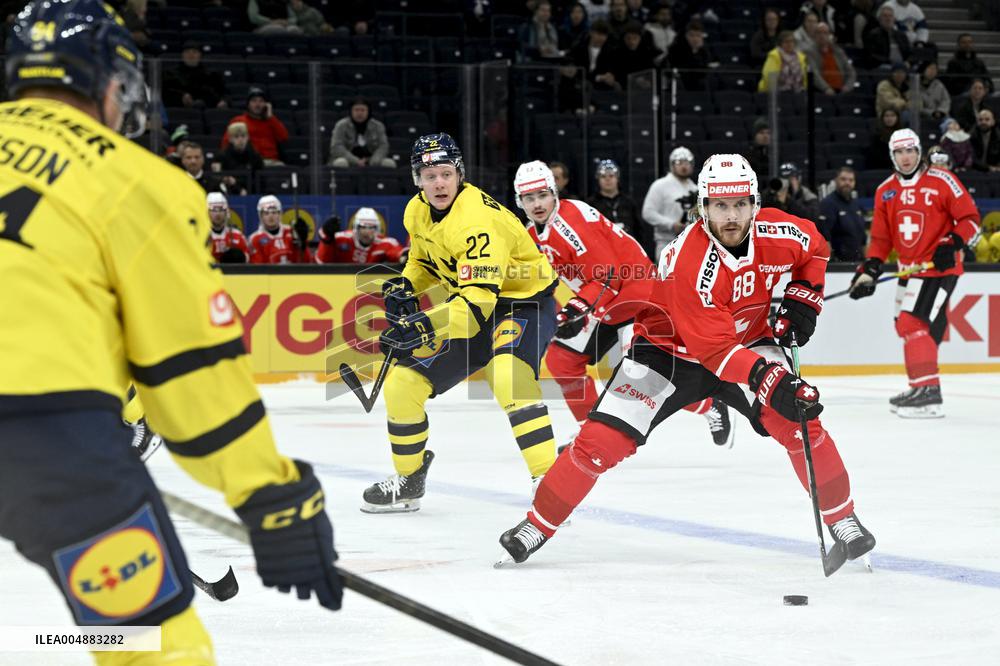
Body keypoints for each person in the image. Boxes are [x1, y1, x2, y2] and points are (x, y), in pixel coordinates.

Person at [0, 2, 341, 663]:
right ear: (111, 85)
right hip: (42, 441)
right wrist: (272, 496)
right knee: (152, 643)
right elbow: (191, 376)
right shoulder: (139, 183)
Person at [498, 154, 877, 570]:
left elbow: (816, 250)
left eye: (739, 205)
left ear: (754, 202)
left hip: (748, 342)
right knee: (599, 444)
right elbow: (714, 352)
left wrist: (805, 296)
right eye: (719, 206)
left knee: (802, 425)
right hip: (667, 354)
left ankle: (842, 518)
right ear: (703, 208)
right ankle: (538, 523)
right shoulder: (686, 261)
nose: (731, 217)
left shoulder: (780, 228)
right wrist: (773, 380)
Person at [359, 133, 560, 513]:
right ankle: (409, 480)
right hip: (471, 302)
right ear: (417, 178)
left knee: (507, 375)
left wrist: (418, 326)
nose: (438, 183)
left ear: (459, 175)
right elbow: (422, 261)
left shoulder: (477, 221)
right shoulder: (415, 211)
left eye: (446, 174)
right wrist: (405, 285)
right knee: (402, 384)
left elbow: (474, 310)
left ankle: (551, 486)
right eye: (429, 174)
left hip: (522, 305)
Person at [514, 161, 734, 449]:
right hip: (604, 301)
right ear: (520, 202)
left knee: (640, 380)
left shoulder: (571, 223)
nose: (537, 203)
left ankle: (708, 406)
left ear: (555, 193)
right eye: (529, 198)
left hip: (637, 296)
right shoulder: (534, 234)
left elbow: (609, 276)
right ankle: (588, 433)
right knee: (561, 360)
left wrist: (577, 308)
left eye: (542, 195)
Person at [848, 130, 980, 417]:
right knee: (907, 325)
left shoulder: (943, 180)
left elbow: (971, 219)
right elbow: (881, 239)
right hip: (910, 269)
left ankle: (929, 394)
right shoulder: (886, 190)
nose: (905, 157)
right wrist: (870, 267)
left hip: (938, 267)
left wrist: (953, 241)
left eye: (910, 150)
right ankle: (920, 385)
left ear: (919, 152)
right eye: (899, 152)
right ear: (892, 156)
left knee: (912, 323)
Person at [642, 146, 698, 258]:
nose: (684, 166)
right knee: (667, 275)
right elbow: (648, 212)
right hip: (666, 242)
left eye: (687, 162)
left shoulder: (696, 188)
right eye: (679, 162)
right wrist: (671, 225)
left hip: (691, 243)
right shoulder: (660, 185)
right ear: (672, 165)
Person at [221, 87, 289, 165]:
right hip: (248, 162)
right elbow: (225, 143)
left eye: (261, 101)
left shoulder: (271, 121)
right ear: (248, 104)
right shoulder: (238, 120)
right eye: (254, 101)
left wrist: (271, 117)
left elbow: (284, 137)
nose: (257, 104)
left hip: (271, 161)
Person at [316, 207, 405, 263]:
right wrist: (326, 239)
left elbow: (399, 253)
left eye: (371, 227)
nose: (367, 231)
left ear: (377, 229)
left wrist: (404, 255)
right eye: (363, 227)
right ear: (356, 227)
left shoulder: (385, 243)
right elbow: (321, 261)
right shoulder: (340, 238)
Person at [328, 97, 396, 168]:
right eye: (356, 110)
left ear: (368, 111)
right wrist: (356, 161)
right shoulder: (341, 125)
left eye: (363, 110)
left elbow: (383, 146)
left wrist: (374, 160)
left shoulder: (378, 126)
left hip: (371, 160)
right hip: (348, 159)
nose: (359, 113)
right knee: (340, 163)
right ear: (351, 111)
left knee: (389, 163)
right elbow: (336, 147)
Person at [818, 166, 867, 260]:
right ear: (836, 180)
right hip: (838, 265)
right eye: (843, 179)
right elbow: (824, 236)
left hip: (857, 262)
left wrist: (867, 260)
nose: (847, 183)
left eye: (851, 180)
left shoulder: (856, 204)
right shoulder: (828, 203)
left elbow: (863, 238)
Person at [162, 40, 227, 109]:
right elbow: (165, 94)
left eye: (194, 52)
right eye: (187, 52)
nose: (191, 55)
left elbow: (224, 93)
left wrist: (224, 101)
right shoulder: (171, 74)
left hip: (209, 110)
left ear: (200, 55)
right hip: (181, 111)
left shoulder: (211, 75)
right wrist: (181, 97)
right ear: (182, 55)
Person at [248, 195, 313, 264]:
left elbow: (306, 262)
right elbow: (257, 269)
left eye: (274, 212)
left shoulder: (292, 232)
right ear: (261, 216)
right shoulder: (255, 239)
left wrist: (303, 244)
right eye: (266, 213)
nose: (271, 216)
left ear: (279, 213)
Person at [587, 159, 642, 240]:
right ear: (598, 179)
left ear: (617, 178)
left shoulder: (629, 202)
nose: (607, 179)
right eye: (603, 176)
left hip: (627, 247)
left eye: (611, 176)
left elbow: (639, 230)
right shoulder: (591, 205)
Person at [801, 21, 857, 95]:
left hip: (842, 90)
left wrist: (847, 87)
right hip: (821, 92)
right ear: (814, 36)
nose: (822, 36)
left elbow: (851, 72)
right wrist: (826, 88)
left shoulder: (838, 51)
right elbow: (814, 74)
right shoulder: (809, 52)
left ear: (830, 35)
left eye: (825, 33)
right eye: (819, 33)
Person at [217, 121, 264, 195]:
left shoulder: (255, 156)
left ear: (247, 137)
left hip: (252, 193)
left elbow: (260, 179)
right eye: (236, 137)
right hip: (230, 193)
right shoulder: (222, 156)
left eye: (243, 136)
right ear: (230, 139)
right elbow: (219, 177)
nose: (240, 139)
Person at [863, 4, 911, 68]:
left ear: (894, 19)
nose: (888, 19)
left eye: (890, 16)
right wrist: (889, 61)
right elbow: (872, 55)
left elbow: (908, 52)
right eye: (885, 16)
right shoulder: (873, 35)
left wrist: (908, 61)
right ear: (880, 19)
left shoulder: (901, 35)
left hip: (901, 65)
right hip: (883, 65)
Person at [207, 192, 249, 263]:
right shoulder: (200, 237)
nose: (218, 214)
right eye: (213, 210)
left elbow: (247, 260)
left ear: (227, 212)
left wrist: (240, 258)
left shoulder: (238, 236)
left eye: (221, 209)